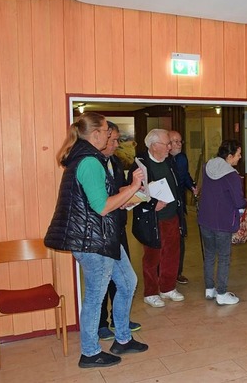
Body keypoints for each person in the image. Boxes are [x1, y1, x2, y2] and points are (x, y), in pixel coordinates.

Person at [44, 112, 148, 369]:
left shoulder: (90, 158)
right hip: (93, 241)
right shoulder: (89, 161)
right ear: (96, 134)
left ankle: (122, 338)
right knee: (95, 296)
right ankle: (90, 353)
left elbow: (99, 200)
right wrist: (134, 187)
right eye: (106, 131)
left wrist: (124, 193)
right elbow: (101, 207)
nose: (110, 135)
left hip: (103, 237)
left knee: (127, 282)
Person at [129, 129, 186, 308]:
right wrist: (152, 204)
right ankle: (151, 292)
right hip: (151, 219)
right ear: (154, 146)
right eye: (167, 144)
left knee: (172, 254)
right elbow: (132, 192)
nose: (170, 147)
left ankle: (168, 287)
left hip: (171, 216)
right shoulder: (140, 165)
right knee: (152, 257)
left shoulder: (170, 162)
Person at [97, 122, 142, 341]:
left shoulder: (114, 161)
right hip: (101, 230)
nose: (116, 144)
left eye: (117, 140)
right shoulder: (93, 164)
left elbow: (119, 189)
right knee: (103, 279)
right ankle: (100, 323)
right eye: (112, 139)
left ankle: (119, 318)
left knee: (123, 278)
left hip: (118, 225)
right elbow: (100, 201)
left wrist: (132, 193)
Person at [197, 139, 247, 305]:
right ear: (230, 156)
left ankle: (209, 289)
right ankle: (222, 293)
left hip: (205, 219)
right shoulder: (232, 175)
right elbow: (238, 201)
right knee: (224, 257)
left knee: (210, 255)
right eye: (238, 155)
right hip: (223, 222)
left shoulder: (207, 166)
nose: (240, 158)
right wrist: (245, 202)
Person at [168, 130, 198, 285]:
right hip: (165, 206)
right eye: (175, 142)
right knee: (166, 241)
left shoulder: (182, 158)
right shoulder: (163, 159)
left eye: (180, 141)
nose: (179, 145)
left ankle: (177, 272)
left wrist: (192, 186)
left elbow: (185, 175)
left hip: (179, 205)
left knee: (180, 239)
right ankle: (164, 274)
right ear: (168, 143)